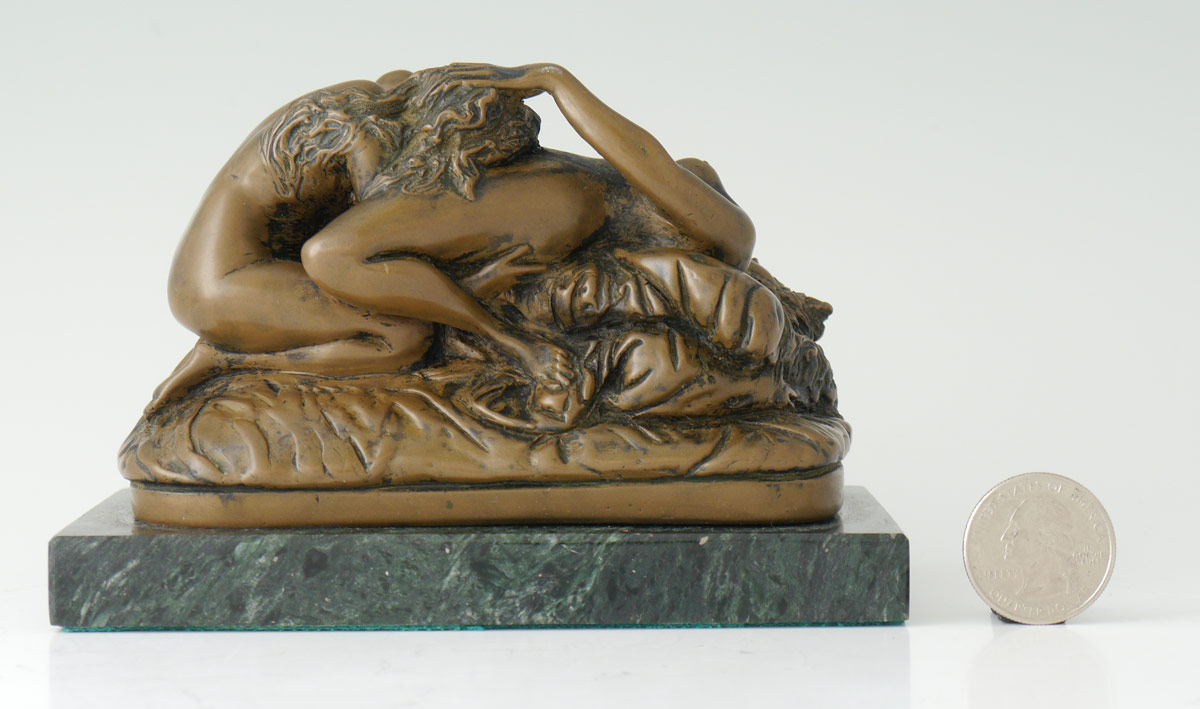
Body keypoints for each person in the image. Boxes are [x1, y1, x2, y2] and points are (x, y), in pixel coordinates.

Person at [150, 63, 757, 412]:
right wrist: (555, 81)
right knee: (403, 336)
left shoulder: (566, 195)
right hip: (223, 283)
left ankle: (229, 357)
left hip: (247, 272)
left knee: (407, 336)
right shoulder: (561, 203)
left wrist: (551, 81)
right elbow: (334, 254)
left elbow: (366, 251)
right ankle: (225, 354)